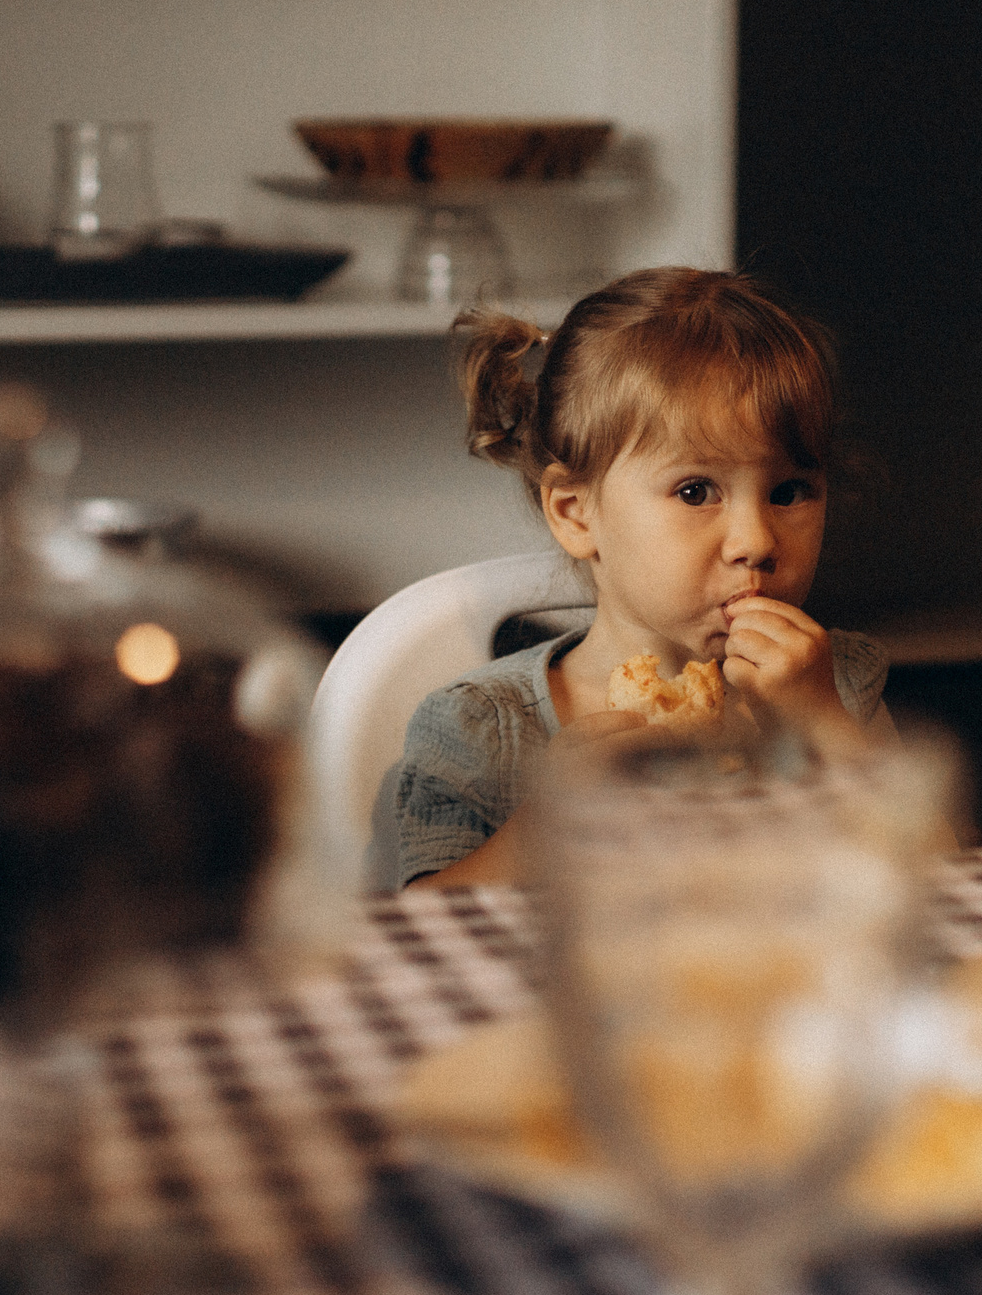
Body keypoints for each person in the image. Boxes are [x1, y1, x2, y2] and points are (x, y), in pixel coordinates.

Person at [383, 266, 895, 889]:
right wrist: (547, 825)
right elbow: (419, 925)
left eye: (788, 491)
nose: (757, 541)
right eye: (696, 491)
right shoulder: (484, 729)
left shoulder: (833, 684)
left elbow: (941, 876)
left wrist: (825, 726)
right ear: (576, 514)